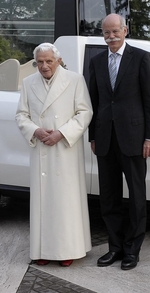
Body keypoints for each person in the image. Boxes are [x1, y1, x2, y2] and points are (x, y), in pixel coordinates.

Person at [88, 13, 150, 271]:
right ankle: (115, 248)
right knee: (109, 198)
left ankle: (132, 251)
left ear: (125, 30)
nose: (111, 36)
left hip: (134, 139)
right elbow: (93, 103)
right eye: (106, 32)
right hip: (105, 140)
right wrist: (93, 136)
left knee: (137, 197)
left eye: (115, 31)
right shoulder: (96, 61)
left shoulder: (141, 58)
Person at [15, 43, 93, 267]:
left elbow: (85, 112)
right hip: (41, 147)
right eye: (40, 62)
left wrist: (62, 133)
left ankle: (67, 249)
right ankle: (42, 249)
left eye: (49, 61)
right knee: (43, 202)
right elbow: (21, 115)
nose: (44, 66)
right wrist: (35, 131)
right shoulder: (28, 83)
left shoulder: (75, 79)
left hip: (65, 149)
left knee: (65, 202)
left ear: (58, 60)